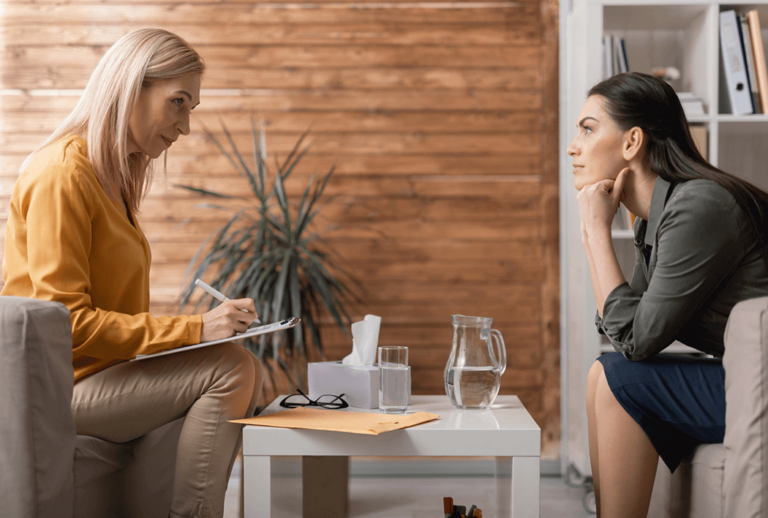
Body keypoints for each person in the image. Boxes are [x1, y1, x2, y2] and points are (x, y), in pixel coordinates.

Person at [1, 28, 263, 518]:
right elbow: (69, 323)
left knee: (238, 367)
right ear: (130, 87)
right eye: (178, 102)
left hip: (100, 377)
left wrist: (196, 336)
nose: (185, 125)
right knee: (231, 367)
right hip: (61, 388)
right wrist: (194, 329)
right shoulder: (63, 174)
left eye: (191, 108)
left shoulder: (108, 180)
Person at [567, 71, 768, 518]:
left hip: (763, 389)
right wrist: (593, 233)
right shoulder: (656, 217)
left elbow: (638, 342)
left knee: (622, 380)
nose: (572, 147)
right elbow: (626, 333)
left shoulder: (698, 205)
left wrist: (597, 231)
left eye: (587, 129)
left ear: (632, 142)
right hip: (745, 379)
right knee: (605, 373)